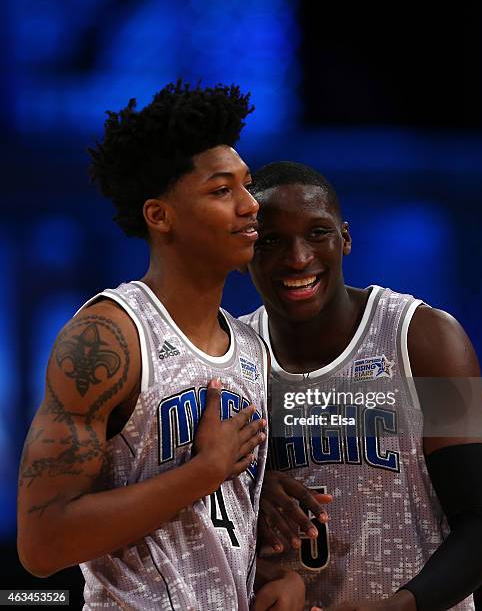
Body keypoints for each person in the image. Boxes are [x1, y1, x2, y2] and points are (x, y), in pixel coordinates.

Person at [17, 83, 305, 610]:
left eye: (247, 186)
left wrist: (277, 575)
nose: (249, 206)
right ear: (160, 215)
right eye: (222, 191)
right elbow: (42, 543)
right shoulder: (107, 337)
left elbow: (210, 531)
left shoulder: (249, 346)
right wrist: (202, 472)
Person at [241, 161, 482, 610]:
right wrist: (247, 487)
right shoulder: (235, 357)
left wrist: (398, 607)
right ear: (246, 251)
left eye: (317, 233)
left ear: (345, 238)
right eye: (271, 241)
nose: (298, 257)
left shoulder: (424, 337)